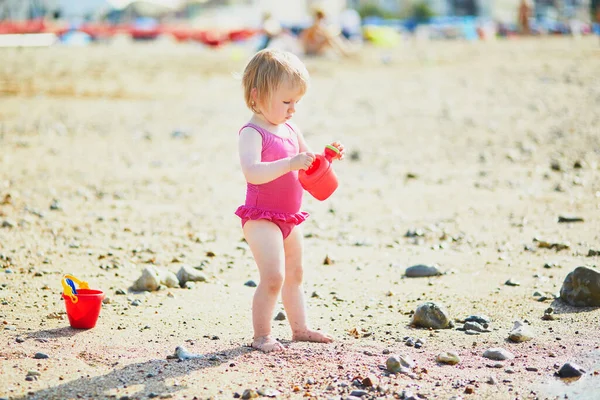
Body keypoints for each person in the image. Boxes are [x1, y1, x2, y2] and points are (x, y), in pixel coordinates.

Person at [235, 49, 344, 352]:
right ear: (256, 96)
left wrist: (328, 157)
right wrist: (290, 163)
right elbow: (252, 172)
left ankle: (300, 328)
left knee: (295, 275)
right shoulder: (252, 132)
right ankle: (261, 336)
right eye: (286, 102)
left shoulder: (291, 128)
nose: (293, 109)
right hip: (260, 218)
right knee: (273, 277)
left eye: (297, 102)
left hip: (290, 217)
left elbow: (309, 165)